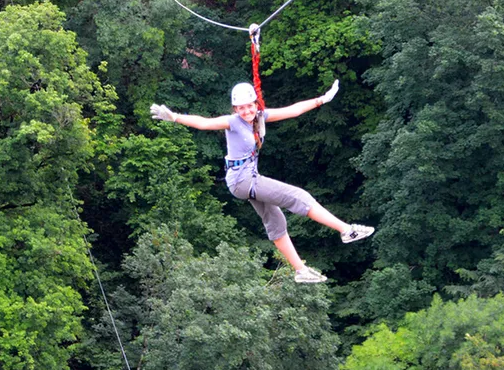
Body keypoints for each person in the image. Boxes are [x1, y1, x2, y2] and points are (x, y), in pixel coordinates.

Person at [150, 81, 373, 283]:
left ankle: (300, 270)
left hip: (247, 179)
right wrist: (175, 117)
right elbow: (205, 124)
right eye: (242, 108)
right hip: (242, 180)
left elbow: (293, 110)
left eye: (250, 105)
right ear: (235, 109)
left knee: (276, 221)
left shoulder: (260, 117)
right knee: (300, 197)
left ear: (256, 104)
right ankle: (346, 230)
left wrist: (321, 100)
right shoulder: (233, 122)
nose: (247, 111)